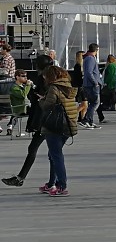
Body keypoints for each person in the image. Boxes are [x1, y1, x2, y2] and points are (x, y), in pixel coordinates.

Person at [37, 65, 78, 197]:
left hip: (55, 125)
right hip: (68, 124)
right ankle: (51, 183)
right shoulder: (67, 86)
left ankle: (61, 185)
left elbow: (48, 105)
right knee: (53, 155)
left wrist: (41, 101)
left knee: (56, 155)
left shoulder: (54, 88)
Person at [81, 42, 102, 128]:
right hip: (91, 85)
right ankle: (86, 120)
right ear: (96, 50)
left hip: (89, 84)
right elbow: (89, 72)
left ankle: (90, 120)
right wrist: (95, 82)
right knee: (95, 103)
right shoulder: (90, 58)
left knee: (93, 103)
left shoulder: (88, 58)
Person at [5, 70, 32, 136]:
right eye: (23, 76)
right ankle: (32, 129)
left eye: (26, 76)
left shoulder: (23, 86)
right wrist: (28, 85)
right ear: (17, 77)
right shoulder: (14, 87)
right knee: (37, 111)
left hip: (25, 107)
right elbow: (23, 95)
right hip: (19, 108)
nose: (25, 78)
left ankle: (11, 125)